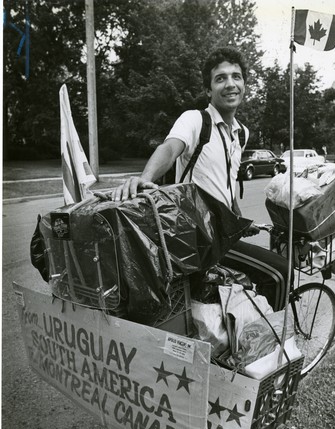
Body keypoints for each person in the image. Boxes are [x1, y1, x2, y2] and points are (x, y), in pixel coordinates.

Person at [112, 47, 289, 311]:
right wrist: (145, 177)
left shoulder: (242, 133)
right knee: (279, 273)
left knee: (242, 289)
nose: (230, 84)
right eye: (220, 78)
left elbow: (226, 182)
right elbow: (170, 148)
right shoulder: (195, 120)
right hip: (197, 236)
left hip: (221, 232)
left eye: (236, 77)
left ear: (244, 84)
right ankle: (263, 345)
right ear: (208, 90)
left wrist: (239, 220)